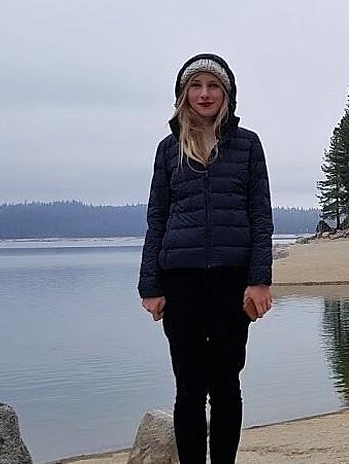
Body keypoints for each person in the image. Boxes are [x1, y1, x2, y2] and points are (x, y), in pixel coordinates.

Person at [137, 53, 274, 464]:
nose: (204, 94)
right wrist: (150, 285)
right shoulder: (168, 149)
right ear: (184, 94)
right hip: (180, 279)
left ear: (226, 94)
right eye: (195, 86)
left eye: (213, 86)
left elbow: (260, 216)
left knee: (227, 385)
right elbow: (157, 218)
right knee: (190, 389)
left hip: (233, 279)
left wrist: (260, 279)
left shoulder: (247, 145)